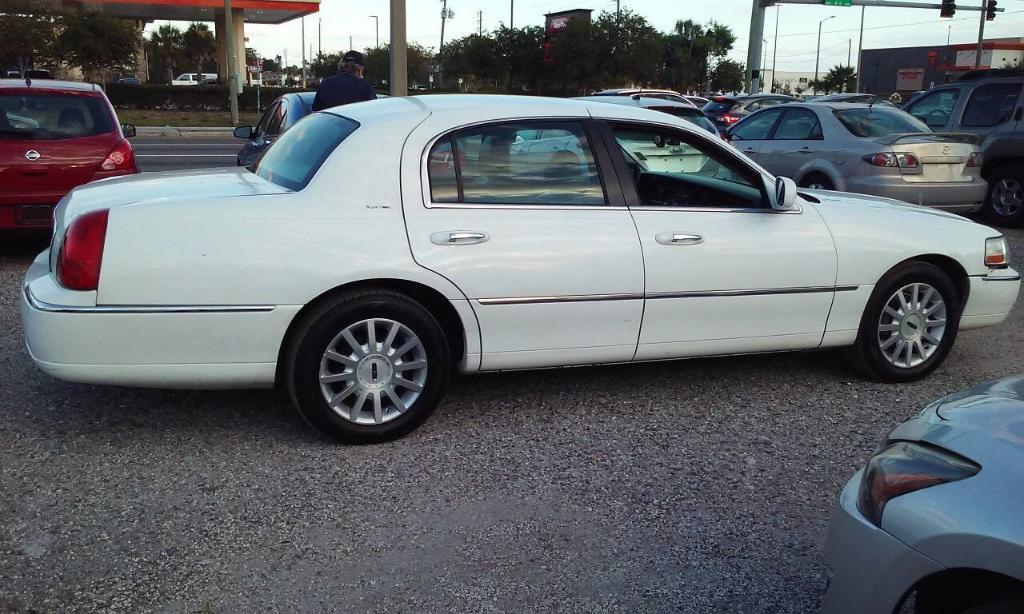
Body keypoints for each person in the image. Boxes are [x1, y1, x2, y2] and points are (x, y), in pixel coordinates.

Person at [311, 51, 376, 111]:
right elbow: (374, 111)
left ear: (341, 66)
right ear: (359, 69)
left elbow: (315, 111)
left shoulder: (325, 83)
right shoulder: (365, 86)